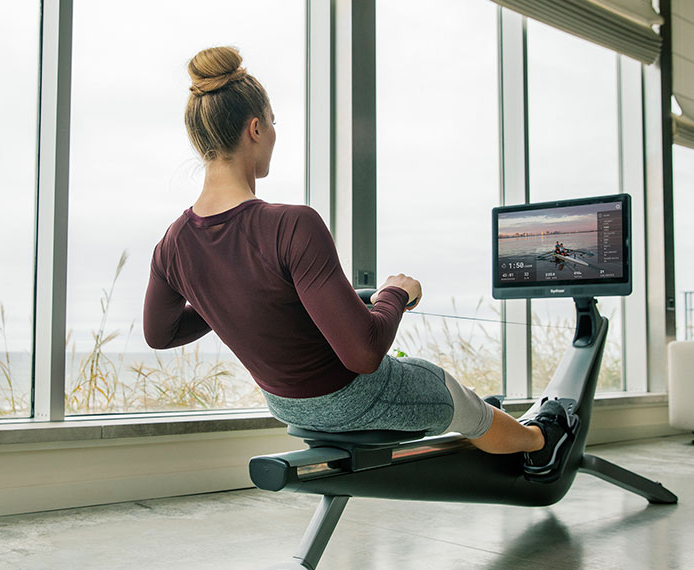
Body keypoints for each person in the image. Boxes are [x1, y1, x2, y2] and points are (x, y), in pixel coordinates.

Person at [143, 47, 579, 482]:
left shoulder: (173, 243)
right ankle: (542, 443)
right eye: (273, 122)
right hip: (354, 396)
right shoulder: (291, 224)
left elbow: (159, 335)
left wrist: (224, 291)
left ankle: (496, 421)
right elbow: (365, 353)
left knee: (443, 395)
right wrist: (396, 293)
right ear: (255, 128)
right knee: (457, 398)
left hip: (284, 404)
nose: (275, 131)